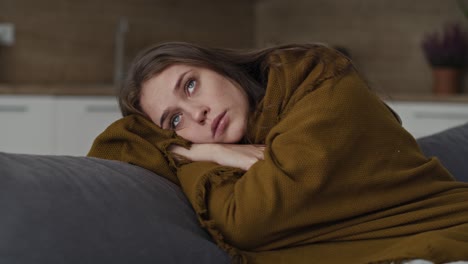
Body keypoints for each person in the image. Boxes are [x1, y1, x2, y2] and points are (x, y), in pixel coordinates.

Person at [88, 42, 468, 264]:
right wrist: (211, 152)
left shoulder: (317, 78)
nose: (197, 113)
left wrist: (201, 151)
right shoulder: (211, 155)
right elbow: (122, 143)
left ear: (219, 67)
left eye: (190, 85)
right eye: (173, 120)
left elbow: (248, 219)